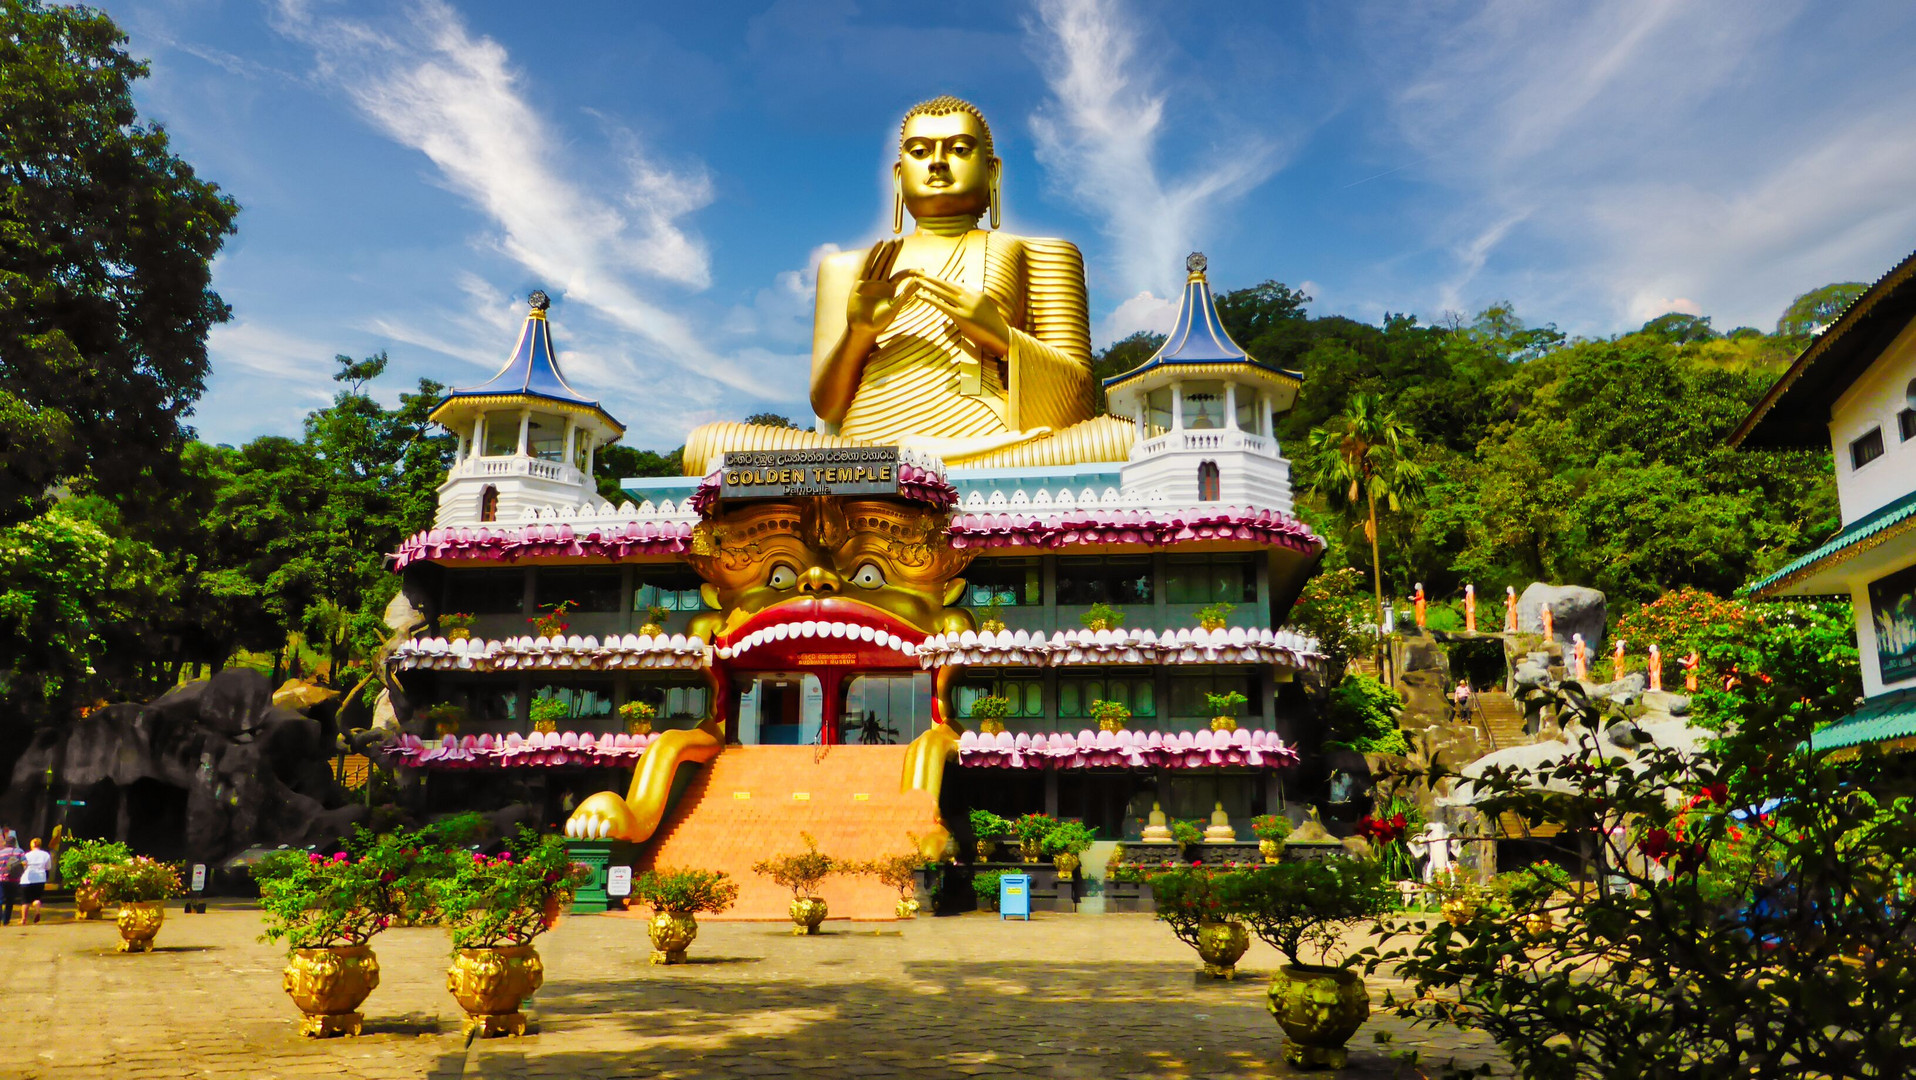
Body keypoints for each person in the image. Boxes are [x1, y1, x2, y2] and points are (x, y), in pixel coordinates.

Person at [19, 837, 52, 924]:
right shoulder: (46, 855)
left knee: (25, 900)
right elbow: (48, 867)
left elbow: (23, 866)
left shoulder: (27, 855)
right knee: (37, 898)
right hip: (40, 878)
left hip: (27, 879)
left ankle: (23, 919)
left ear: (31, 845)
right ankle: (37, 910)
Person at [0, 831, 22, 926]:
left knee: (0, 899)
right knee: (10, 900)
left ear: (6, 843)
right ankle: (6, 920)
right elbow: (25, 863)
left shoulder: (1, 853)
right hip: (14, 879)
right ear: (14, 843)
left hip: (1, 879)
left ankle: (0, 917)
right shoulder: (19, 852)